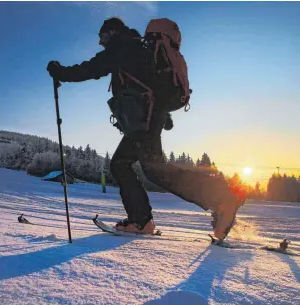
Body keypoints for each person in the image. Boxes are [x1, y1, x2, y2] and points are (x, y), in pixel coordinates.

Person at [47, 17, 246, 240]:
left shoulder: (123, 47)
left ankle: (221, 198)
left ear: (112, 33)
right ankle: (144, 219)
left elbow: (92, 68)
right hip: (147, 119)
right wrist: (163, 115)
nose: (101, 42)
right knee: (126, 165)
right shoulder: (139, 48)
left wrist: (60, 72)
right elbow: (149, 84)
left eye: (102, 37)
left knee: (152, 170)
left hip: (144, 122)